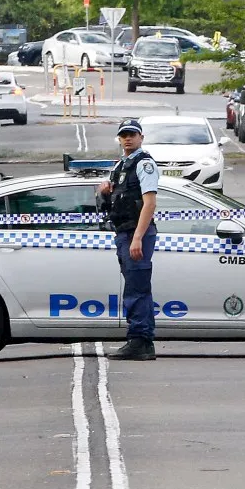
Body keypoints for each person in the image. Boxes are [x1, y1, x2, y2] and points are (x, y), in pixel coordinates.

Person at [98, 118, 159, 360]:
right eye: (124, 134)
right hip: (124, 231)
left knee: (137, 289)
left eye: (132, 134)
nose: (128, 138)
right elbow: (111, 197)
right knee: (135, 287)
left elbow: (150, 203)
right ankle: (140, 340)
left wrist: (137, 238)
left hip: (137, 233)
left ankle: (141, 341)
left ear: (141, 137)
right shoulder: (121, 165)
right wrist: (103, 190)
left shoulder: (144, 164)